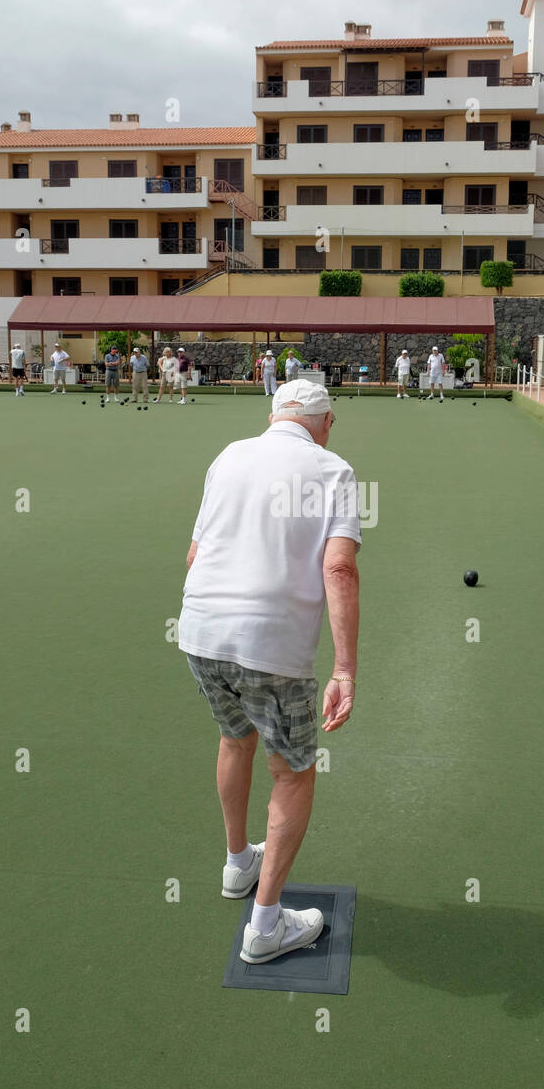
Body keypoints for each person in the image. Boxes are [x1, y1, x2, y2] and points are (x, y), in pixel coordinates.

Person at [178, 379, 361, 964]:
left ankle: (238, 866)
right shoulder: (334, 470)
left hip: (200, 632)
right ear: (325, 421)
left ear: (274, 414)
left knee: (236, 738)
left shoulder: (229, 455)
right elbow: (339, 568)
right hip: (270, 648)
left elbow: (194, 555)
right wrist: (345, 669)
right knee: (293, 773)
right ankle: (265, 927)